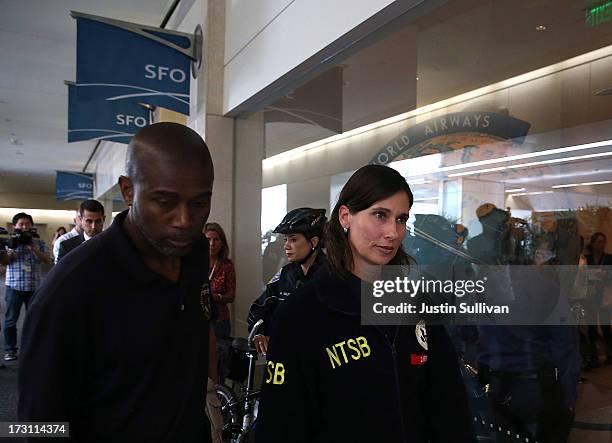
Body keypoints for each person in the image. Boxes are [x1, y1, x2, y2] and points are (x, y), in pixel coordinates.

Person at [18, 122, 215, 442]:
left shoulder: (194, 253)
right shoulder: (69, 292)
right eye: (165, 202)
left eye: (199, 203)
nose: (184, 220)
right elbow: (37, 424)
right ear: (128, 190)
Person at [255, 165, 475, 442]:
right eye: (380, 215)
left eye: (401, 219)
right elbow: (281, 424)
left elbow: (450, 409)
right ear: (346, 217)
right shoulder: (301, 313)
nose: (393, 232)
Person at [247, 207, 327, 355]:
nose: (286, 246)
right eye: (285, 240)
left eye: (293, 239)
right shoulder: (286, 274)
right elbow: (260, 307)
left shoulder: (333, 274)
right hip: (288, 360)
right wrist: (259, 332)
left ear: (314, 241)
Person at [0, 212, 52, 361]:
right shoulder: (10, 242)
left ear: (31, 226)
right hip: (13, 287)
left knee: (34, 320)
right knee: (10, 320)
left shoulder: (39, 242)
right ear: (15, 226)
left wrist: (34, 248)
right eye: (21, 224)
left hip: (34, 287)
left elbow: (48, 260)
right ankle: (10, 349)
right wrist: (11, 249)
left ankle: (33, 349)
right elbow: (4, 262)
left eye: (27, 224)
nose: (24, 227)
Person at [584, 232, 612, 368]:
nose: (601, 245)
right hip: (591, 296)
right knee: (592, 327)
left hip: (605, 296)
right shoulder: (586, 259)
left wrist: (605, 274)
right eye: (599, 242)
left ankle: (609, 354)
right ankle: (593, 355)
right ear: (593, 243)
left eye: (603, 242)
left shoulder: (609, 258)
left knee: (606, 327)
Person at [204, 222, 236, 340]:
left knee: (221, 356)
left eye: (216, 239)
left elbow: (231, 296)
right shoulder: (193, 264)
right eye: (208, 239)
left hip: (220, 322)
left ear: (222, 242)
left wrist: (216, 297)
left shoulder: (227, 265)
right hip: (197, 321)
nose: (212, 244)